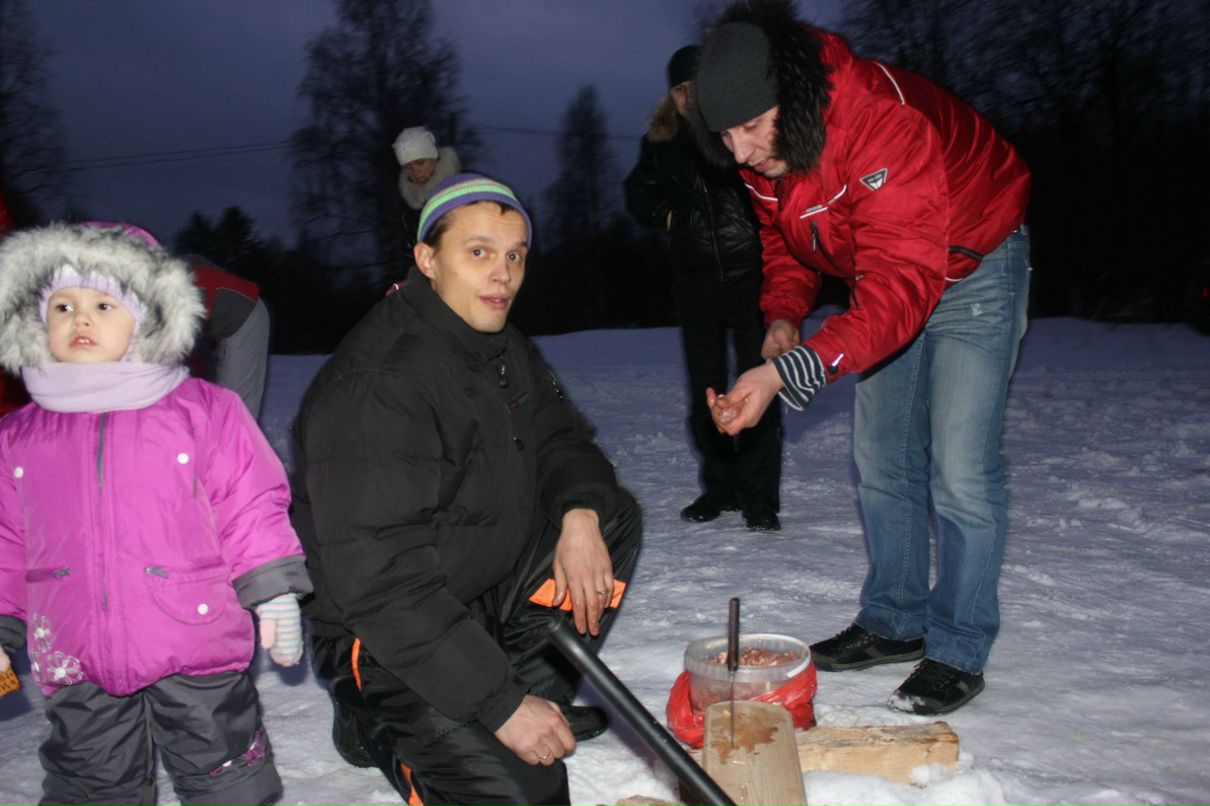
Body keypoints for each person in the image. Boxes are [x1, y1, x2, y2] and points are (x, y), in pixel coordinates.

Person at [694, 0, 1031, 715]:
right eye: (726, 136)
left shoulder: (879, 119)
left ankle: (958, 646)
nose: (741, 152)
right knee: (882, 458)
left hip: (973, 263)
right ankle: (894, 621)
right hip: (886, 275)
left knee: (962, 468)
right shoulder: (764, 153)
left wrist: (791, 368)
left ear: (795, 95)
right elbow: (786, 238)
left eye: (752, 127)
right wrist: (785, 314)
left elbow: (907, 286)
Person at [290, 173, 643, 805]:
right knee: (529, 796)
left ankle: (512, 700)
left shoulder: (499, 343)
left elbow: (563, 439)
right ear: (427, 260)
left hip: (468, 597)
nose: (502, 273)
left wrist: (581, 516)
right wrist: (501, 707)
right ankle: (387, 726)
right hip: (380, 635)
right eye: (477, 252)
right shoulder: (381, 384)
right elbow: (381, 583)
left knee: (607, 516)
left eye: (514, 255)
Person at [0, 222, 313, 804]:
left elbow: (250, 503)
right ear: (35, 322)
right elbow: (4, 538)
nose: (81, 319)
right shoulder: (19, 436)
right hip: (74, 653)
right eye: (62, 305)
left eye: (103, 303)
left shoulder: (203, 411)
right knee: (91, 783)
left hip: (192, 638)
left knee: (226, 774)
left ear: (147, 317)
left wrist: (274, 590)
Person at [624, 44, 783, 532]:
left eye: (695, 86)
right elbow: (636, 191)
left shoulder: (732, 130)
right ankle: (720, 487)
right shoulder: (662, 138)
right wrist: (667, 215)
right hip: (694, 281)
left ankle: (759, 497)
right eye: (679, 88)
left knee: (757, 386)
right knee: (705, 388)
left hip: (749, 276)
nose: (687, 95)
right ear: (671, 93)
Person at [187, 254, 271, 419]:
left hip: (245, 320)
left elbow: (187, 351)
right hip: (217, 326)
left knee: (235, 412)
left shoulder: (167, 292)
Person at [393, 125, 462, 251]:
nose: (415, 172)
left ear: (433, 157)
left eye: (420, 163)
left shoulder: (465, 191)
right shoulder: (409, 211)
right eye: (408, 167)